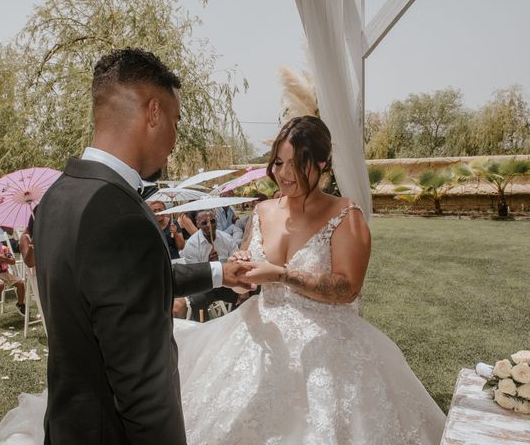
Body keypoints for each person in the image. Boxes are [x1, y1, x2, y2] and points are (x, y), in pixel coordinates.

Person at [0, 48, 253, 445]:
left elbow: (116, 286)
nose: (175, 140)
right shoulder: (120, 216)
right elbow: (143, 389)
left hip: (66, 427)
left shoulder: (57, 196)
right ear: (153, 112)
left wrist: (219, 271)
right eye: (176, 122)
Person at [172, 115, 446, 444]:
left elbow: (347, 288)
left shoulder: (346, 215)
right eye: (278, 162)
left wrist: (283, 275)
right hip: (257, 339)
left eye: (296, 164)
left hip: (328, 346)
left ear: (322, 163)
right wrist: (240, 271)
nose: (284, 174)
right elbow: (243, 285)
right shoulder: (261, 213)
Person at [176, 210, 240, 321]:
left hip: (226, 282)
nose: (209, 225)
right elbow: (194, 275)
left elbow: (236, 263)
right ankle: (202, 327)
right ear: (197, 224)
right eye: (204, 223)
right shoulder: (191, 245)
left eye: (212, 221)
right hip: (203, 286)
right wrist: (209, 264)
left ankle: (235, 323)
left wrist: (220, 265)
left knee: (244, 292)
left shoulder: (226, 239)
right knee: (197, 301)